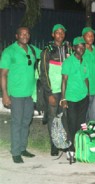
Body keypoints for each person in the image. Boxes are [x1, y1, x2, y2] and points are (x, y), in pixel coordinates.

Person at [0, 27, 41, 163]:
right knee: (17, 122)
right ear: (16, 36)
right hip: (16, 94)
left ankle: (23, 148)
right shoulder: (9, 51)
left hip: (29, 94)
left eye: (27, 33)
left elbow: (47, 54)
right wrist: (5, 94)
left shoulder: (32, 49)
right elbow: (3, 74)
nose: (25, 36)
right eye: (22, 34)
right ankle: (15, 151)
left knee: (26, 122)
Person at [40, 24, 72, 156]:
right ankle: (53, 145)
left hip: (66, 90)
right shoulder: (47, 51)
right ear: (53, 34)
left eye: (62, 32)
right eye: (57, 33)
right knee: (53, 118)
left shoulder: (68, 49)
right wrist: (48, 93)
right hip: (53, 91)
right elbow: (44, 73)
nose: (60, 35)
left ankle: (62, 142)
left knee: (64, 117)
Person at [60, 37, 89, 164]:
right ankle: (70, 149)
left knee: (80, 123)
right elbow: (64, 80)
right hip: (71, 98)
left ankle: (78, 147)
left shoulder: (85, 62)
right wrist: (63, 98)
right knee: (71, 124)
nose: (81, 49)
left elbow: (86, 79)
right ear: (73, 48)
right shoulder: (68, 62)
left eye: (83, 47)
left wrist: (87, 93)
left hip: (83, 97)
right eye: (79, 46)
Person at [82, 27, 95, 122]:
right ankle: (84, 135)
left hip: (94, 89)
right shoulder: (80, 51)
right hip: (83, 90)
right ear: (83, 37)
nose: (91, 37)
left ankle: (92, 135)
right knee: (83, 117)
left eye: (92, 35)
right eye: (88, 35)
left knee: (94, 117)